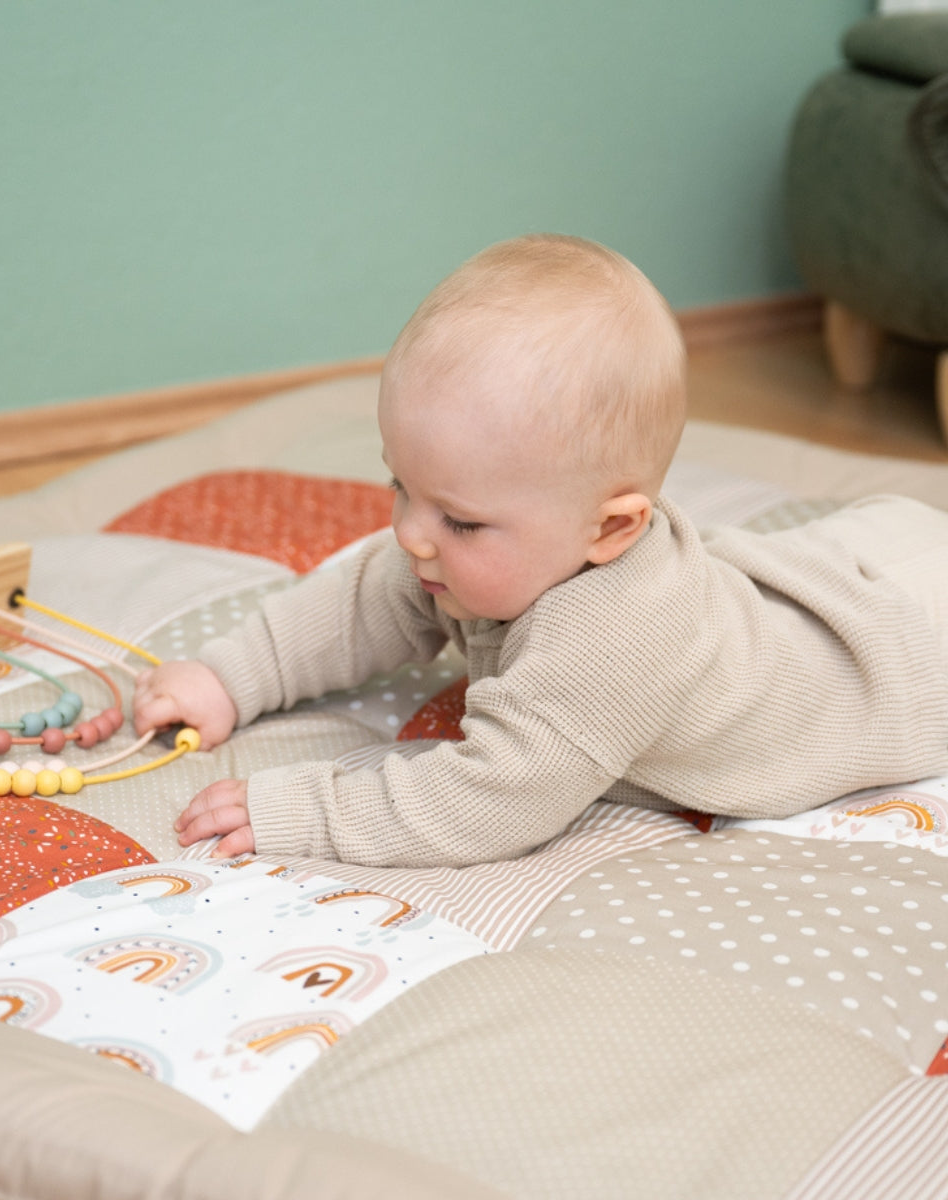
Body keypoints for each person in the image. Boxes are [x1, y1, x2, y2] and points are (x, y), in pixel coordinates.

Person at [133, 233, 948, 868]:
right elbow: (356, 605)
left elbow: (490, 800)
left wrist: (305, 810)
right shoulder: (460, 547)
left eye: (460, 521)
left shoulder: (613, 642)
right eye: (400, 486)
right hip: (851, 568)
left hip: (906, 657)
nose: (412, 533)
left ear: (612, 530)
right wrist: (228, 678)